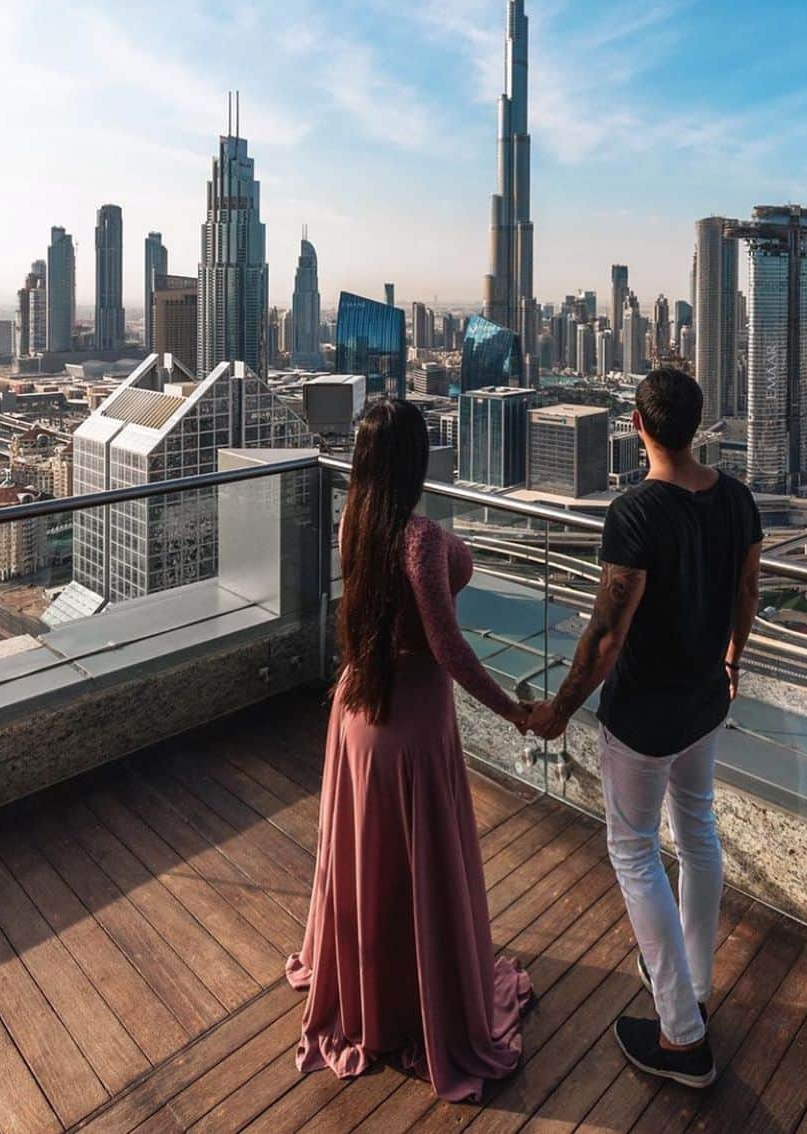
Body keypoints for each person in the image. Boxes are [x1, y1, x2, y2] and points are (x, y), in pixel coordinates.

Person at [286, 399, 532, 1102]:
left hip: (358, 708)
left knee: (369, 862)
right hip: (413, 723)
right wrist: (513, 710)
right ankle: (421, 998)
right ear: (416, 462)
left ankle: (373, 989)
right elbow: (450, 648)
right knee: (418, 868)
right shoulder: (419, 539)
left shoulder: (354, 523)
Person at [528, 368, 762, 1088]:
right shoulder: (737, 498)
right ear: (696, 425)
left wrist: (560, 709)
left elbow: (605, 634)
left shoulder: (634, 513)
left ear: (636, 423)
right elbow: (747, 590)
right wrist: (733, 660)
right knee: (696, 831)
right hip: (704, 702)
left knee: (633, 851)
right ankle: (691, 984)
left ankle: (683, 1037)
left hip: (643, 717)